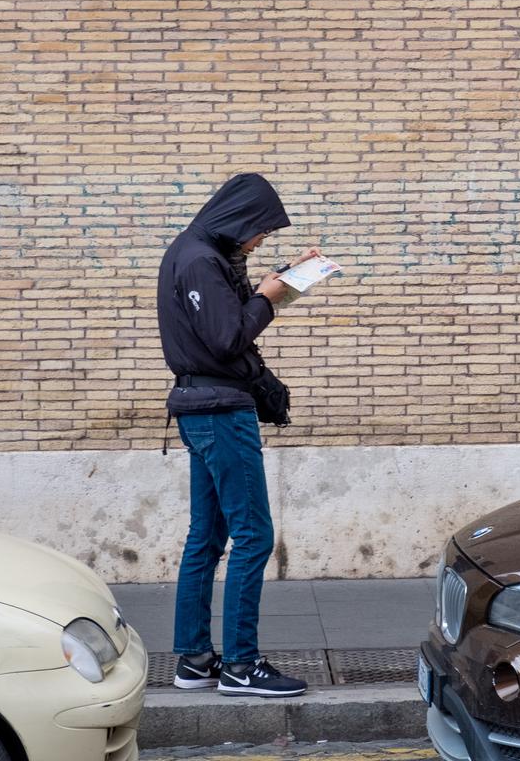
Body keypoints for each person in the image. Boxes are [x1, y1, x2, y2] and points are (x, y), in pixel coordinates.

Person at [156, 173, 318, 697]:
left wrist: (282, 282)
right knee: (254, 535)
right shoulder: (201, 258)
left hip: (200, 408)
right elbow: (228, 339)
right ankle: (242, 666)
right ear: (239, 220)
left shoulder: (196, 253)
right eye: (259, 232)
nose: (259, 241)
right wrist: (269, 297)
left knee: (206, 539)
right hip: (221, 411)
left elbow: (220, 327)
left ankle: (195, 660)